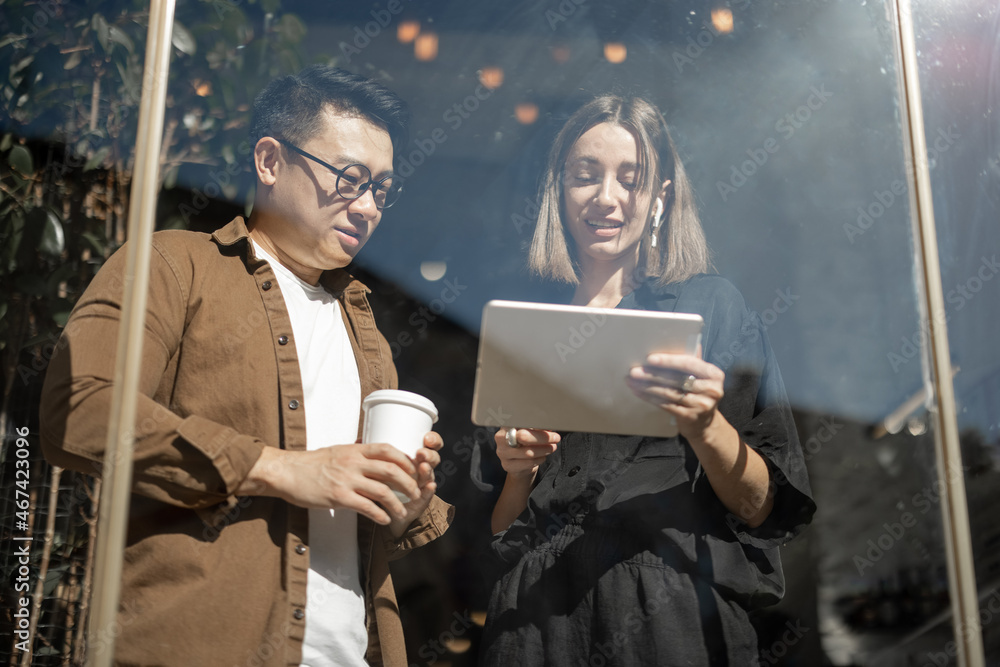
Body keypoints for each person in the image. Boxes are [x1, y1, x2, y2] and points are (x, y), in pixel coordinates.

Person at [40, 66, 453, 667]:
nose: (366, 206)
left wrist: (407, 507)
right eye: (349, 178)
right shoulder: (174, 266)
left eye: (382, 188)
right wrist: (279, 469)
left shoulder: (368, 335)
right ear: (270, 161)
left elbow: (359, 519)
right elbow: (76, 407)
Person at [480, 95, 815, 666]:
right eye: (585, 176)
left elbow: (763, 508)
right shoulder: (527, 325)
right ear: (560, 190)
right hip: (534, 628)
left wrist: (706, 426)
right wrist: (518, 475)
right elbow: (502, 536)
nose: (606, 198)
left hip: (668, 617)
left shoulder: (711, 307)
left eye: (630, 180)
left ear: (660, 195)